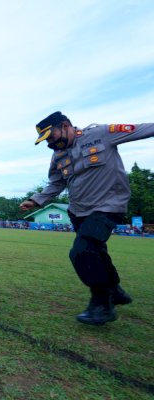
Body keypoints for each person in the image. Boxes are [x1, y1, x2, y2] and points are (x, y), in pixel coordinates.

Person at [20, 111, 154, 325]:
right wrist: (36, 200)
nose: (50, 143)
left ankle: (102, 304)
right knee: (97, 251)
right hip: (78, 211)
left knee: (82, 252)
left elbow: (144, 129)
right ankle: (114, 290)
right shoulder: (58, 156)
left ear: (64, 125)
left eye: (51, 136)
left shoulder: (102, 133)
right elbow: (56, 183)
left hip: (108, 206)